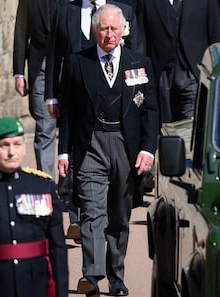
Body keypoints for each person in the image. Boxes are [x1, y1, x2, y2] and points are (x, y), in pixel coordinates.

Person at [58, 4, 159, 297]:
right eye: (103, 29)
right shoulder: (78, 63)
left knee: (118, 216)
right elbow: (68, 114)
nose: (109, 34)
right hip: (91, 145)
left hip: (126, 148)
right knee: (92, 213)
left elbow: (150, 111)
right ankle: (91, 274)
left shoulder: (138, 63)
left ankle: (117, 276)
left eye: (114, 28)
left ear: (124, 30)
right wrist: (64, 153)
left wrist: (147, 150)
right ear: (94, 31)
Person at [45, 0, 144, 243]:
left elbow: (137, 54)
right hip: (75, 97)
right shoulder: (66, 11)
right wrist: (52, 94)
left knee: (112, 181)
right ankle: (78, 218)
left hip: (112, 106)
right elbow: (55, 54)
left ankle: (97, 217)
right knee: (77, 158)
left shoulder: (123, 12)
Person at [0, 117, 68, 297]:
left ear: (24, 147)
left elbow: (57, 248)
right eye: (4, 145)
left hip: (35, 286)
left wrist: (62, 295)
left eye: (17, 144)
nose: (11, 152)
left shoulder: (42, 186)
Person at [137, 0, 220, 122]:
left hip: (193, 73)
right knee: (164, 125)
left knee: (191, 124)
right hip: (161, 76)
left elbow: (216, 36)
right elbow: (141, 39)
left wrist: (216, 72)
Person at [13, 0, 60, 179]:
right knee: (44, 126)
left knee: (70, 128)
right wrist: (18, 73)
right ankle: (46, 182)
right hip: (40, 66)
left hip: (67, 67)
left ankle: (66, 188)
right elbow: (21, 30)